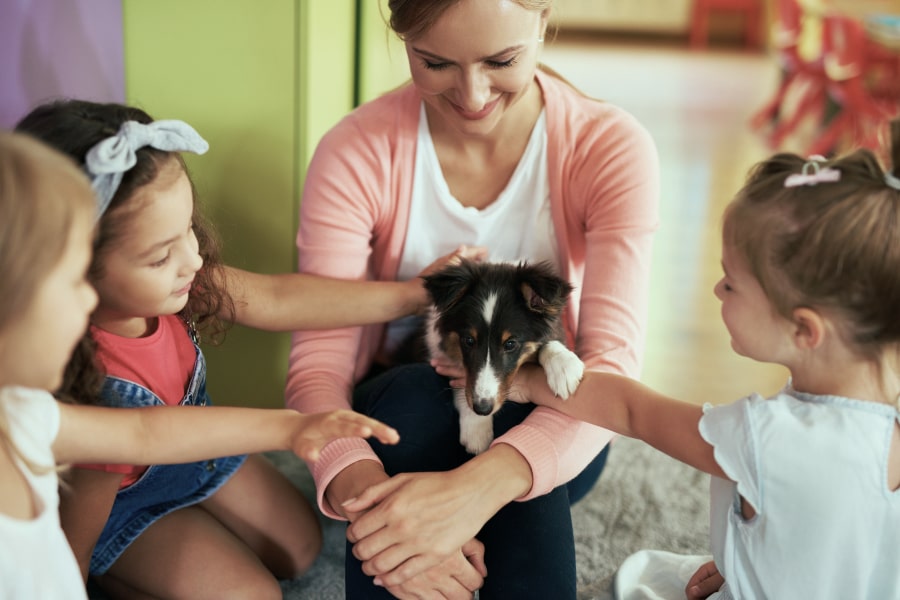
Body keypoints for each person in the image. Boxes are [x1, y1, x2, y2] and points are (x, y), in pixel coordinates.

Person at [12, 99, 473, 600]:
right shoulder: (83, 378)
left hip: (199, 454)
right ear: (77, 265)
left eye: (188, 229)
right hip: (124, 506)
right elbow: (85, 521)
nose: (192, 259)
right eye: (161, 256)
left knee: (301, 549)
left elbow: (281, 298)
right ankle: (124, 574)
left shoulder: (180, 286)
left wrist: (412, 294)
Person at [285, 0, 660, 597]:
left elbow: (611, 367)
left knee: (516, 403)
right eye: (434, 63)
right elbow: (317, 370)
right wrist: (368, 503)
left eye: (501, 60)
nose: (472, 95)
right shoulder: (356, 151)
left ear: (544, 19)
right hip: (400, 414)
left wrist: (479, 487)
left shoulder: (607, 148)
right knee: (415, 395)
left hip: (552, 421)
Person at [512, 132, 900, 598]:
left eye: (731, 284)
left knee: (632, 583)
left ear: (805, 330)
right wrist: (750, 561)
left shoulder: (765, 436)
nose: (717, 290)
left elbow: (631, 410)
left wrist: (528, 380)